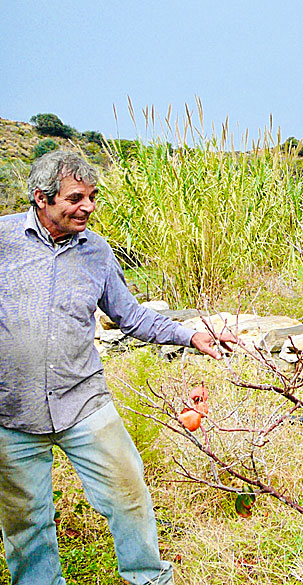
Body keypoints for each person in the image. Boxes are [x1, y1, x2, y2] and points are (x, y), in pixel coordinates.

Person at [0, 150, 233, 584]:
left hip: (83, 402)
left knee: (129, 495)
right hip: (10, 412)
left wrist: (189, 334)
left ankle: (146, 577)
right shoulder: (3, 240)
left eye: (91, 197)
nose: (87, 207)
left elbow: (130, 314)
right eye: (75, 198)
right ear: (41, 198)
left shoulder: (97, 252)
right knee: (25, 523)